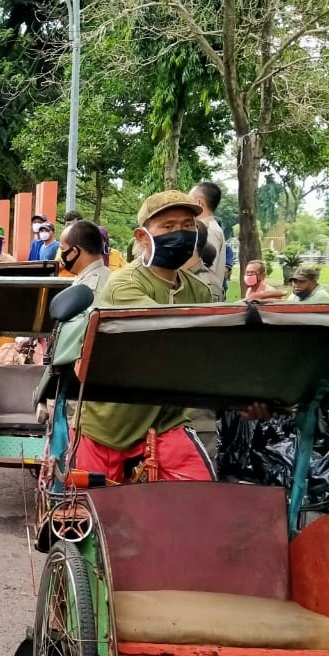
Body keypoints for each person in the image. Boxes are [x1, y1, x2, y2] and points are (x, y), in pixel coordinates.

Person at [74, 191, 215, 482]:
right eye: (168, 226)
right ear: (141, 236)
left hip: (166, 421)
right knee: (91, 514)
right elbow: (166, 326)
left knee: (200, 500)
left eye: (188, 226)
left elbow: (209, 350)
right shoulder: (123, 284)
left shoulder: (198, 291)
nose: (180, 233)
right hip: (110, 425)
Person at [190, 181, 227, 299]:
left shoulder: (209, 230)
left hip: (204, 295)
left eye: (188, 200)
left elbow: (207, 266)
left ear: (198, 202)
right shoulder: (208, 227)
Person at [59, 220, 110, 297]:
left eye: (63, 249)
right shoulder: (108, 275)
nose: (61, 256)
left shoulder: (88, 290)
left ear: (74, 251)